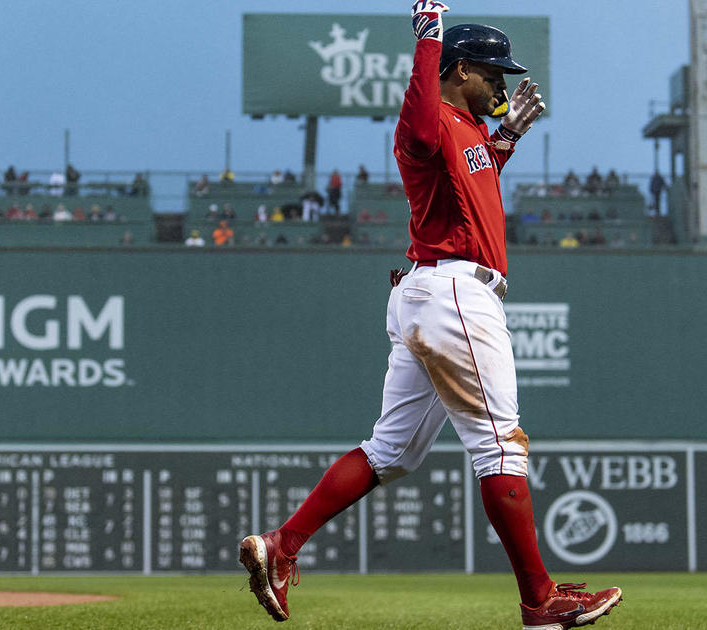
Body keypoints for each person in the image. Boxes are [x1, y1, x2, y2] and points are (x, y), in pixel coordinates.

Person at [238, 5, 621, 630]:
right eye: (492, 73)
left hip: (430, 293)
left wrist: (505, 141)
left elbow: (467, 187)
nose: (502, 85)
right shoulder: (430, 118)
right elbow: (417, 127)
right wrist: (428, 38)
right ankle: (540, 600)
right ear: (459, 70)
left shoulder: (468, 128)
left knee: (391, 452)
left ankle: (281, 546)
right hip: (456, 293)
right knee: (500, 446)